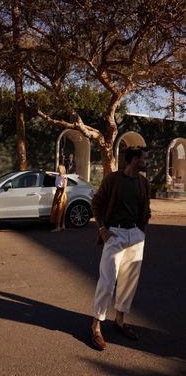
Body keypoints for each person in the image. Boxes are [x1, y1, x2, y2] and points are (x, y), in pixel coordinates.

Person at [90, 146, 151, 351]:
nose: (147, 161)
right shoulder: (113, 180)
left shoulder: (144, 183)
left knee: (129, 282)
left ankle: (120, 320)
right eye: (145, 158)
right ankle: (97, 324)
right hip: (114, 235)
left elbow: (146, 210)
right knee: (107, 282)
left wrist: (140, 231)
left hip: (135, 235)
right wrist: (102, 230)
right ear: (135, 160)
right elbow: (96, 203)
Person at [50, 164, 68, 232]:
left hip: (62, 193)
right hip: (58, 192)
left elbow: (64, 189)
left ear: (61, 169)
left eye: (58, 168)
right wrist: (44, 172)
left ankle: (58, 227)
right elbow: (50, 174)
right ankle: (63, 226)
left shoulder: (64, 178)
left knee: (59, 210)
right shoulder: (57, 176)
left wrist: (61, 197)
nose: (57, 169)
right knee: (60, 210)